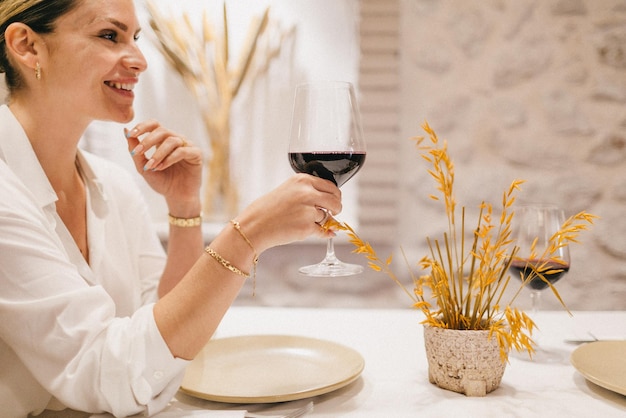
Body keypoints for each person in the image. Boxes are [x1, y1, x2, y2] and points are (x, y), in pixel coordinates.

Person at [0, 0, 342, 416]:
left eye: (136, 38)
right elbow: (106, 375)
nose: (140, 61)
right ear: (27, 46)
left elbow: (160, 335)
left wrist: (184, 209)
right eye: (110, 35)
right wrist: (246, 235)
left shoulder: (114, 184)